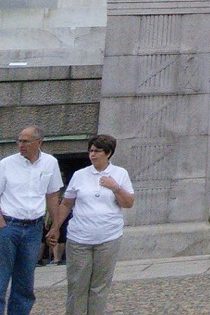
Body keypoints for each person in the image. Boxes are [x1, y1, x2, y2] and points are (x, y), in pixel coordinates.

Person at [61, 133, 133, 315]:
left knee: (99, 287)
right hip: (79, 237)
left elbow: (128, 203)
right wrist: (55, 227)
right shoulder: (79, 175)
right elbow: (67, 203)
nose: (93, 154)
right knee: (77, 285)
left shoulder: (120, 173)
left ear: (108, 153)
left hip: (108, 237)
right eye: (91, 151)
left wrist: (115, 187)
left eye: (97, 151)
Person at [0, 125, 63, 315]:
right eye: (19, 141)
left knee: (25, 282)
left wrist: (55, 226)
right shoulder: (6, 164)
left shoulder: (50, 163)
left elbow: (52, 195)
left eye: (25, 141)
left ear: (39, 142)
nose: (21, 145)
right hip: (8, 225)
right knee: (1, 278)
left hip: (34, 227)